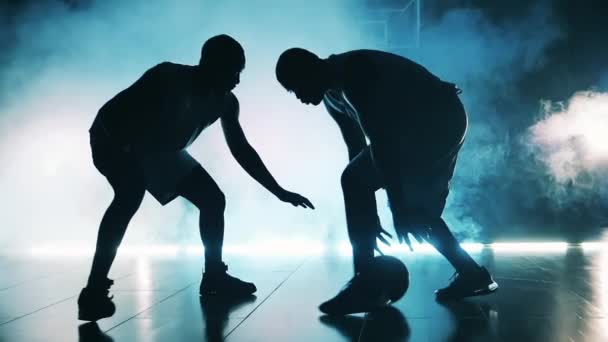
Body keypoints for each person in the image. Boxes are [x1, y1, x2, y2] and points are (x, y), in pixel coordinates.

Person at [78, 35, 314, 321]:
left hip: (160, 149)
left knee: (214, 200)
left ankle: (214, 277)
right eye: (233, 72)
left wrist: (278, 190)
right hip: (112, 138)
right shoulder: (166, 76)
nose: (237, 80)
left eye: (240, 73)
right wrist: (129, 158)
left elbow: (241, 149)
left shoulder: (226, 103)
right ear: (211, 66)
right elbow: (114, 115)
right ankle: (93, 290)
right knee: (129, 195)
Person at [275, 48, 497, 315]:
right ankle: (473, 275)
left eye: (296, 87)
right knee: (414, 212)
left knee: (383, 197)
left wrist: (395, 205)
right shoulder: (332, 96)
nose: (298, 97)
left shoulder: (354, 72)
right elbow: (359, 151)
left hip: (433, 121)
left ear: (310, 70)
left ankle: (365, 284)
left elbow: (382, 142)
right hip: (439, 121)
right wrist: (369, 213)